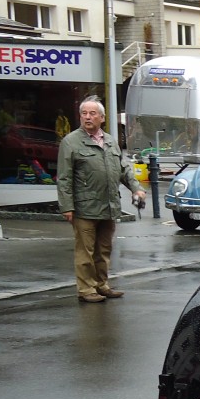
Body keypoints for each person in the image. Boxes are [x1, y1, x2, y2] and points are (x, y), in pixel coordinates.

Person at [56, 96, 146, 302]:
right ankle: (86, 289)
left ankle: (101, 285)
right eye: (84, 114)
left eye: (92, 113)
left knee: (104, 249)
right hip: (84, 207)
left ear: (102, 118)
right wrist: (66, 207)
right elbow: (64, 178)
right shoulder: (70, 142)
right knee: (85, 251)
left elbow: (123, 169)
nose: (87, 117)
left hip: (109, 205)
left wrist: (137, 189)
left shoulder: (110, 141)